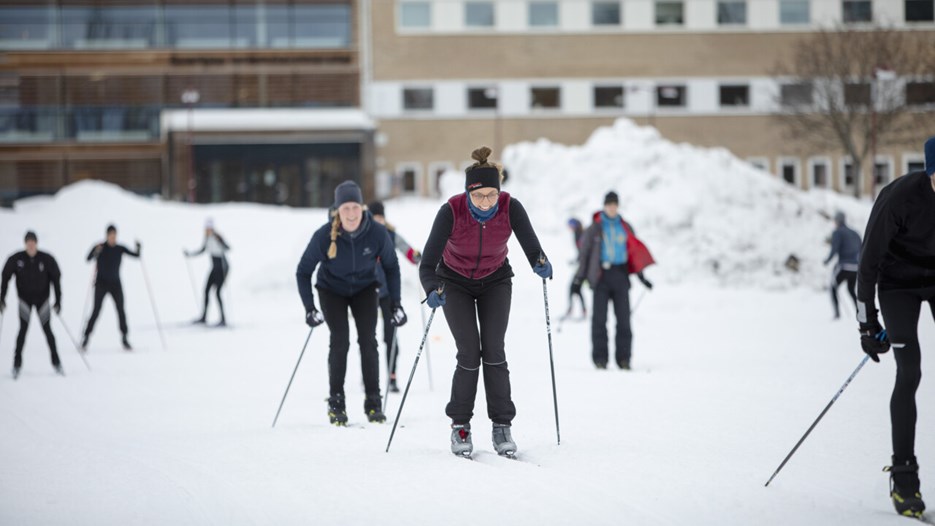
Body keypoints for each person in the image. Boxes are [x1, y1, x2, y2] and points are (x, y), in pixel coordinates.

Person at [419, 146, 551, 458]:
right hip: (454, 282)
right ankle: (460, 425)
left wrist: (540, 261)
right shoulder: (451, 211)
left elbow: (532, 245)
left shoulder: (510, 207)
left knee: (494, 350)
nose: (486, 202)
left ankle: (501, 425)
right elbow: (427, 263)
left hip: (495, 280)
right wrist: (432, 288)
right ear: (468, 193)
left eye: (492, 195)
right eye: (479, 196)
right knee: (468, 352)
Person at [857, 136, 935, 519]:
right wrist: (867, 324)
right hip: (897, 284)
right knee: (910, 372)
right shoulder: (900, 197)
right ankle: (905, 479)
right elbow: (868, 263)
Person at [296, 181, 406, 426]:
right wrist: (309, 308)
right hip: (331, 290)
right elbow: (303, 271)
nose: (351, 214)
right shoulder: (324, 236)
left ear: (362, 207)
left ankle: (373, 403)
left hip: (365, 289)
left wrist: (395, 304)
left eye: (355, 207)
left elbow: (391, 266)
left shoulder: (376, 232)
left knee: (368, 341)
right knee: (340, 341)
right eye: (345, 208)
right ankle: (337, 402)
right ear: (337, 210)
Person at [574, 191, 654, 371]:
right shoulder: (595, 228)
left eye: (614, 204)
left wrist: (642, 278)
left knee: (624, 320)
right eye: (609, 204)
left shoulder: (625, 227)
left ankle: (624, 359)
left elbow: (634, 253)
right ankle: (600, 359)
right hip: (601, 277)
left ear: (617, 206)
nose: (611, 207)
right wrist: (579, 278)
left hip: (620, 276)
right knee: (599, 321)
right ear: (604, 206)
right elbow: (584, 254)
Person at [369, 200, 421, 393]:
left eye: (381, 218)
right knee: (368, 336)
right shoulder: (361, 235)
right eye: (374, 218)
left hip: (387, 293)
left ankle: (392, 376)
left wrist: (414, 255)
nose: (378, 221)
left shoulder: (390, 235)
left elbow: (405, 248)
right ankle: (368, 374)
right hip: (366, 292)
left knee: (390, 336)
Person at [1, 231, 64, 378]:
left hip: (42, 301)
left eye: (32, 242)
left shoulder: (46, 259)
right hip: (25, 301)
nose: (30, 245)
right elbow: (5, 276)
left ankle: (57, 363)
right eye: (28, 242)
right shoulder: (17, 259)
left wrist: (58, 301)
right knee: (22, 332)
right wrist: (2, 298)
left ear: (36, 243)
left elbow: (56, 278)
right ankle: (16, 365)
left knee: (48, 332)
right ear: (25, 244)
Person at [82, 224, 140, 351]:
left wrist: (138, 248)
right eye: (111, 235)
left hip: (115, 284)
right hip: (101, 284)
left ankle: (124, 337)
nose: (113, 238)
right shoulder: (100, 247)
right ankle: (86, 337)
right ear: (107, 235)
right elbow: (88, 258)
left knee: (121, 310)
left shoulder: (120, 248)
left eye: (114, 235)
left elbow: (136, 255)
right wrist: (95, 252)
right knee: (96, 311)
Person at [184, 218, 230, 326]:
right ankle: (204, 317)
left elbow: (227, 248)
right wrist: (190, 254)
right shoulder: (207, 238)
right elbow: (202, 250)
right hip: (214, 268)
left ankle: (223, 319)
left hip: (223, 267)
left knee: (218, 293)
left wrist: (221, 242)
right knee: (206, 291)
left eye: (208, 228)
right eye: (206, 228)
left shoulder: (217, 237)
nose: (207, 230)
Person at [824, 210, 860, 319]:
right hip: (856, 267)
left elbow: (834, 249)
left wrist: (827, 260)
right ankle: (860, 312)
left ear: (838, 221)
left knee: (833, 287)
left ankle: (837, 313)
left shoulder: (838, 232)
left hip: (844, 266)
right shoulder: (855, 233)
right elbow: (862, 248)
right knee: (851, 290)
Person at [564, 217, 587, 320]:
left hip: (584, 267)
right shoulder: (578, 233)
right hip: (583, 266)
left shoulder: (580, 234)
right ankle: (582, 310)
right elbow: (581, 252)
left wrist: (579, 261)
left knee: (574, 287)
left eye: (570, 225)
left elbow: (584, 251)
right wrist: (576, 260)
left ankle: (572, 310)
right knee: (576, 289)